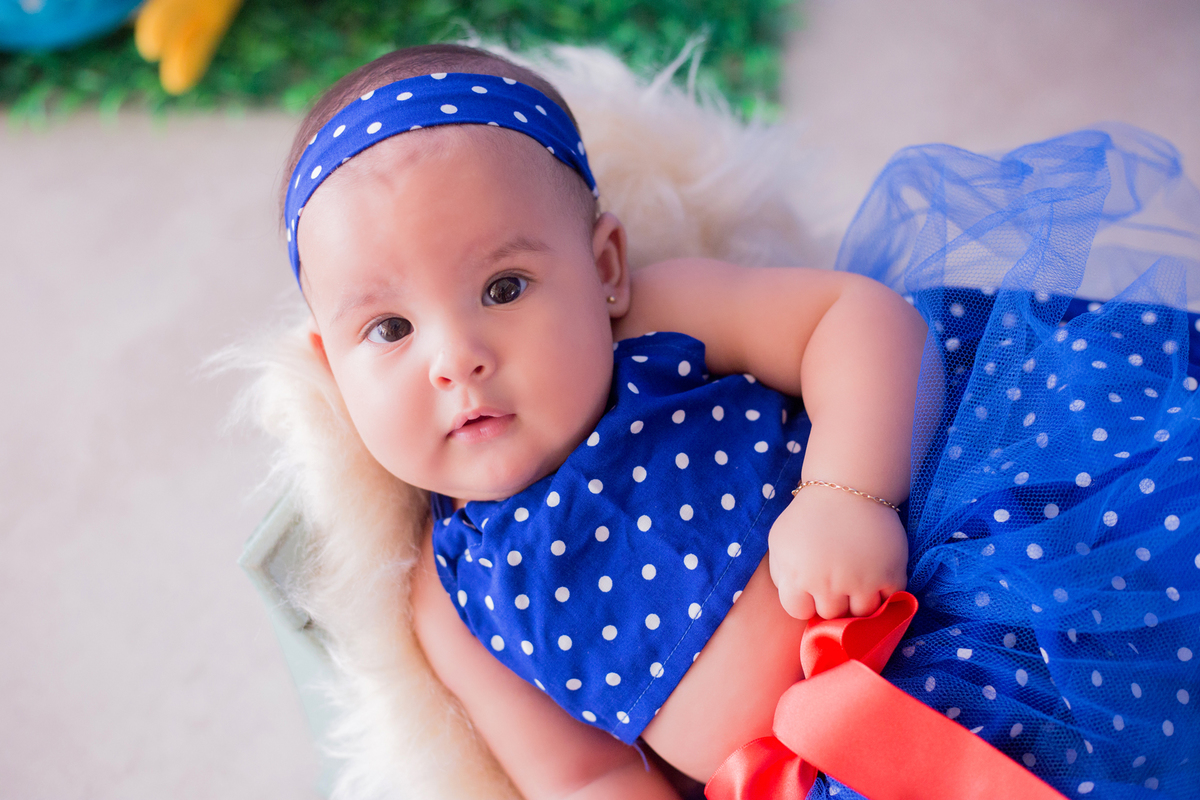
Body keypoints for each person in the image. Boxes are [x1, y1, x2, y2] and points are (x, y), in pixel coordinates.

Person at [281, 43, 1199, 799]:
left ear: (604, 267)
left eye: (504, 287)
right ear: (330, 366)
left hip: (960, 597)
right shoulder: (447, 596)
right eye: (390, 328)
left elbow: (860, 319)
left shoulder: (652, 325)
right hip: (813, 779)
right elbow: (579, 772)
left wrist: (844, 495)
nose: (457, 357)